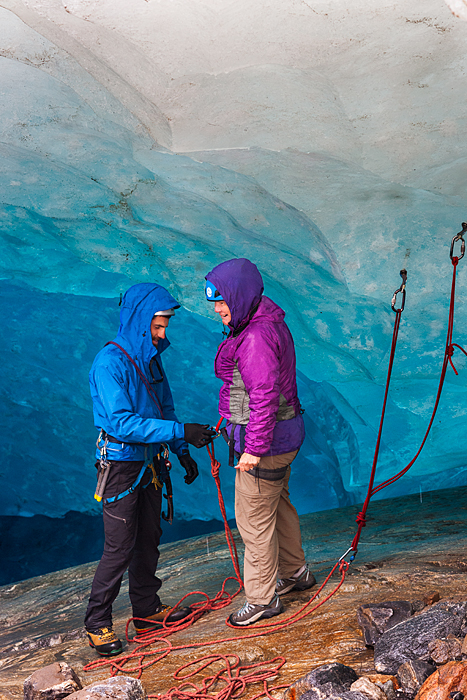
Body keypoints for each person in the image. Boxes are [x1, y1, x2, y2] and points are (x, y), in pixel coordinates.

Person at [85, 282, 216, 656]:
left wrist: (180, 449)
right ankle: (97, 623)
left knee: (148, 540)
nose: (163, 333)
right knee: (120, 547)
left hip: (152, 464)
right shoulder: (109, 363)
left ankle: (146, 613)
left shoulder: (151, 359)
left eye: (165, 325)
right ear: (140, 320)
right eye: (158, 325)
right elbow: (122, 423)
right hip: (122, 468)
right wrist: (179, 433)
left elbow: (165, 408)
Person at [205, 258, 316, 626]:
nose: (217, 308)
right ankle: (295, 572)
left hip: (266, 444)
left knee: (253, 521)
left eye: (221, 300)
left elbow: (264, 395)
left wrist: (252, 449)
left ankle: (262, 598)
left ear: (238, 295)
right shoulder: (264, 323)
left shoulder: (254, 337)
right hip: (284, 437)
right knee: (278, 503)